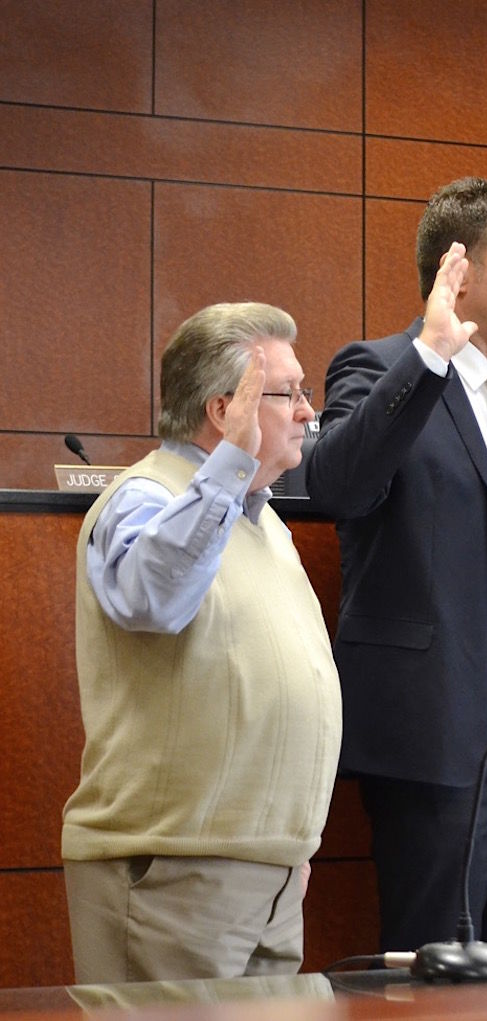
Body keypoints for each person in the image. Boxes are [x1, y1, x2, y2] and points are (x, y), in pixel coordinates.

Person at [305, 177, 487, 955]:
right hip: (440, 732)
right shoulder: (377, 367)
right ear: (457, 271)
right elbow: (337, 485)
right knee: (434, 971)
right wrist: (431, 355)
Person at [63, 302, 341, 982]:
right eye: (288, 393)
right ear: (224, 409)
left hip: (270, 878)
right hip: (174, 876)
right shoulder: (143, 497)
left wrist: (286, 848)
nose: (310, 410)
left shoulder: (264, 521)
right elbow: (153, 600)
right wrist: (229, 471)